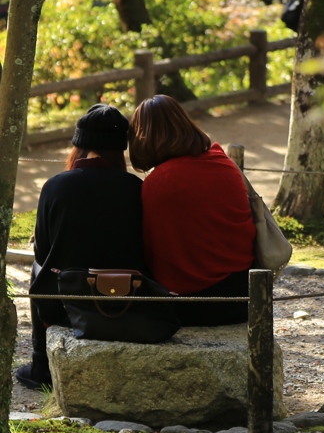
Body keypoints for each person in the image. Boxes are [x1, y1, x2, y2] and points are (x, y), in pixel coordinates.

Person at [16, 104, 146, 390]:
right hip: (126, 301)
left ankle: (41, 365)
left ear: (80, 145)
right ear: (120, 148)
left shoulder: (55, 186)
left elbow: (42, 251)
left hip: (66, 304)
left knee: (39, 268)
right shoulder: (135, 188)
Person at [128, 95, 255, 326]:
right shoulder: (223, 163)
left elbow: (151, 252)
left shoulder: (156, 184)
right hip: (241, 295)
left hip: (191, 306)